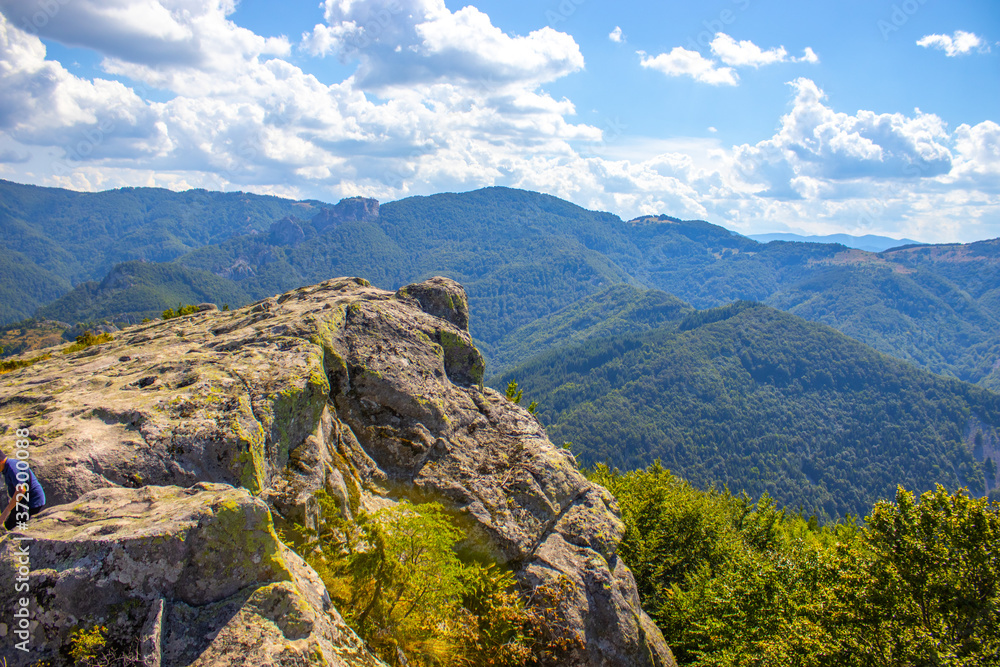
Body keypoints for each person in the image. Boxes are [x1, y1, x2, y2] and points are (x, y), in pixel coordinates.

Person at [0, 450, 46, 531]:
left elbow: (21, 490)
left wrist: (6, 512)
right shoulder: (6, 468)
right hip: (21, 501)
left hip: (33, 503)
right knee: (9, 526)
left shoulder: (12, 467)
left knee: (28, 529)